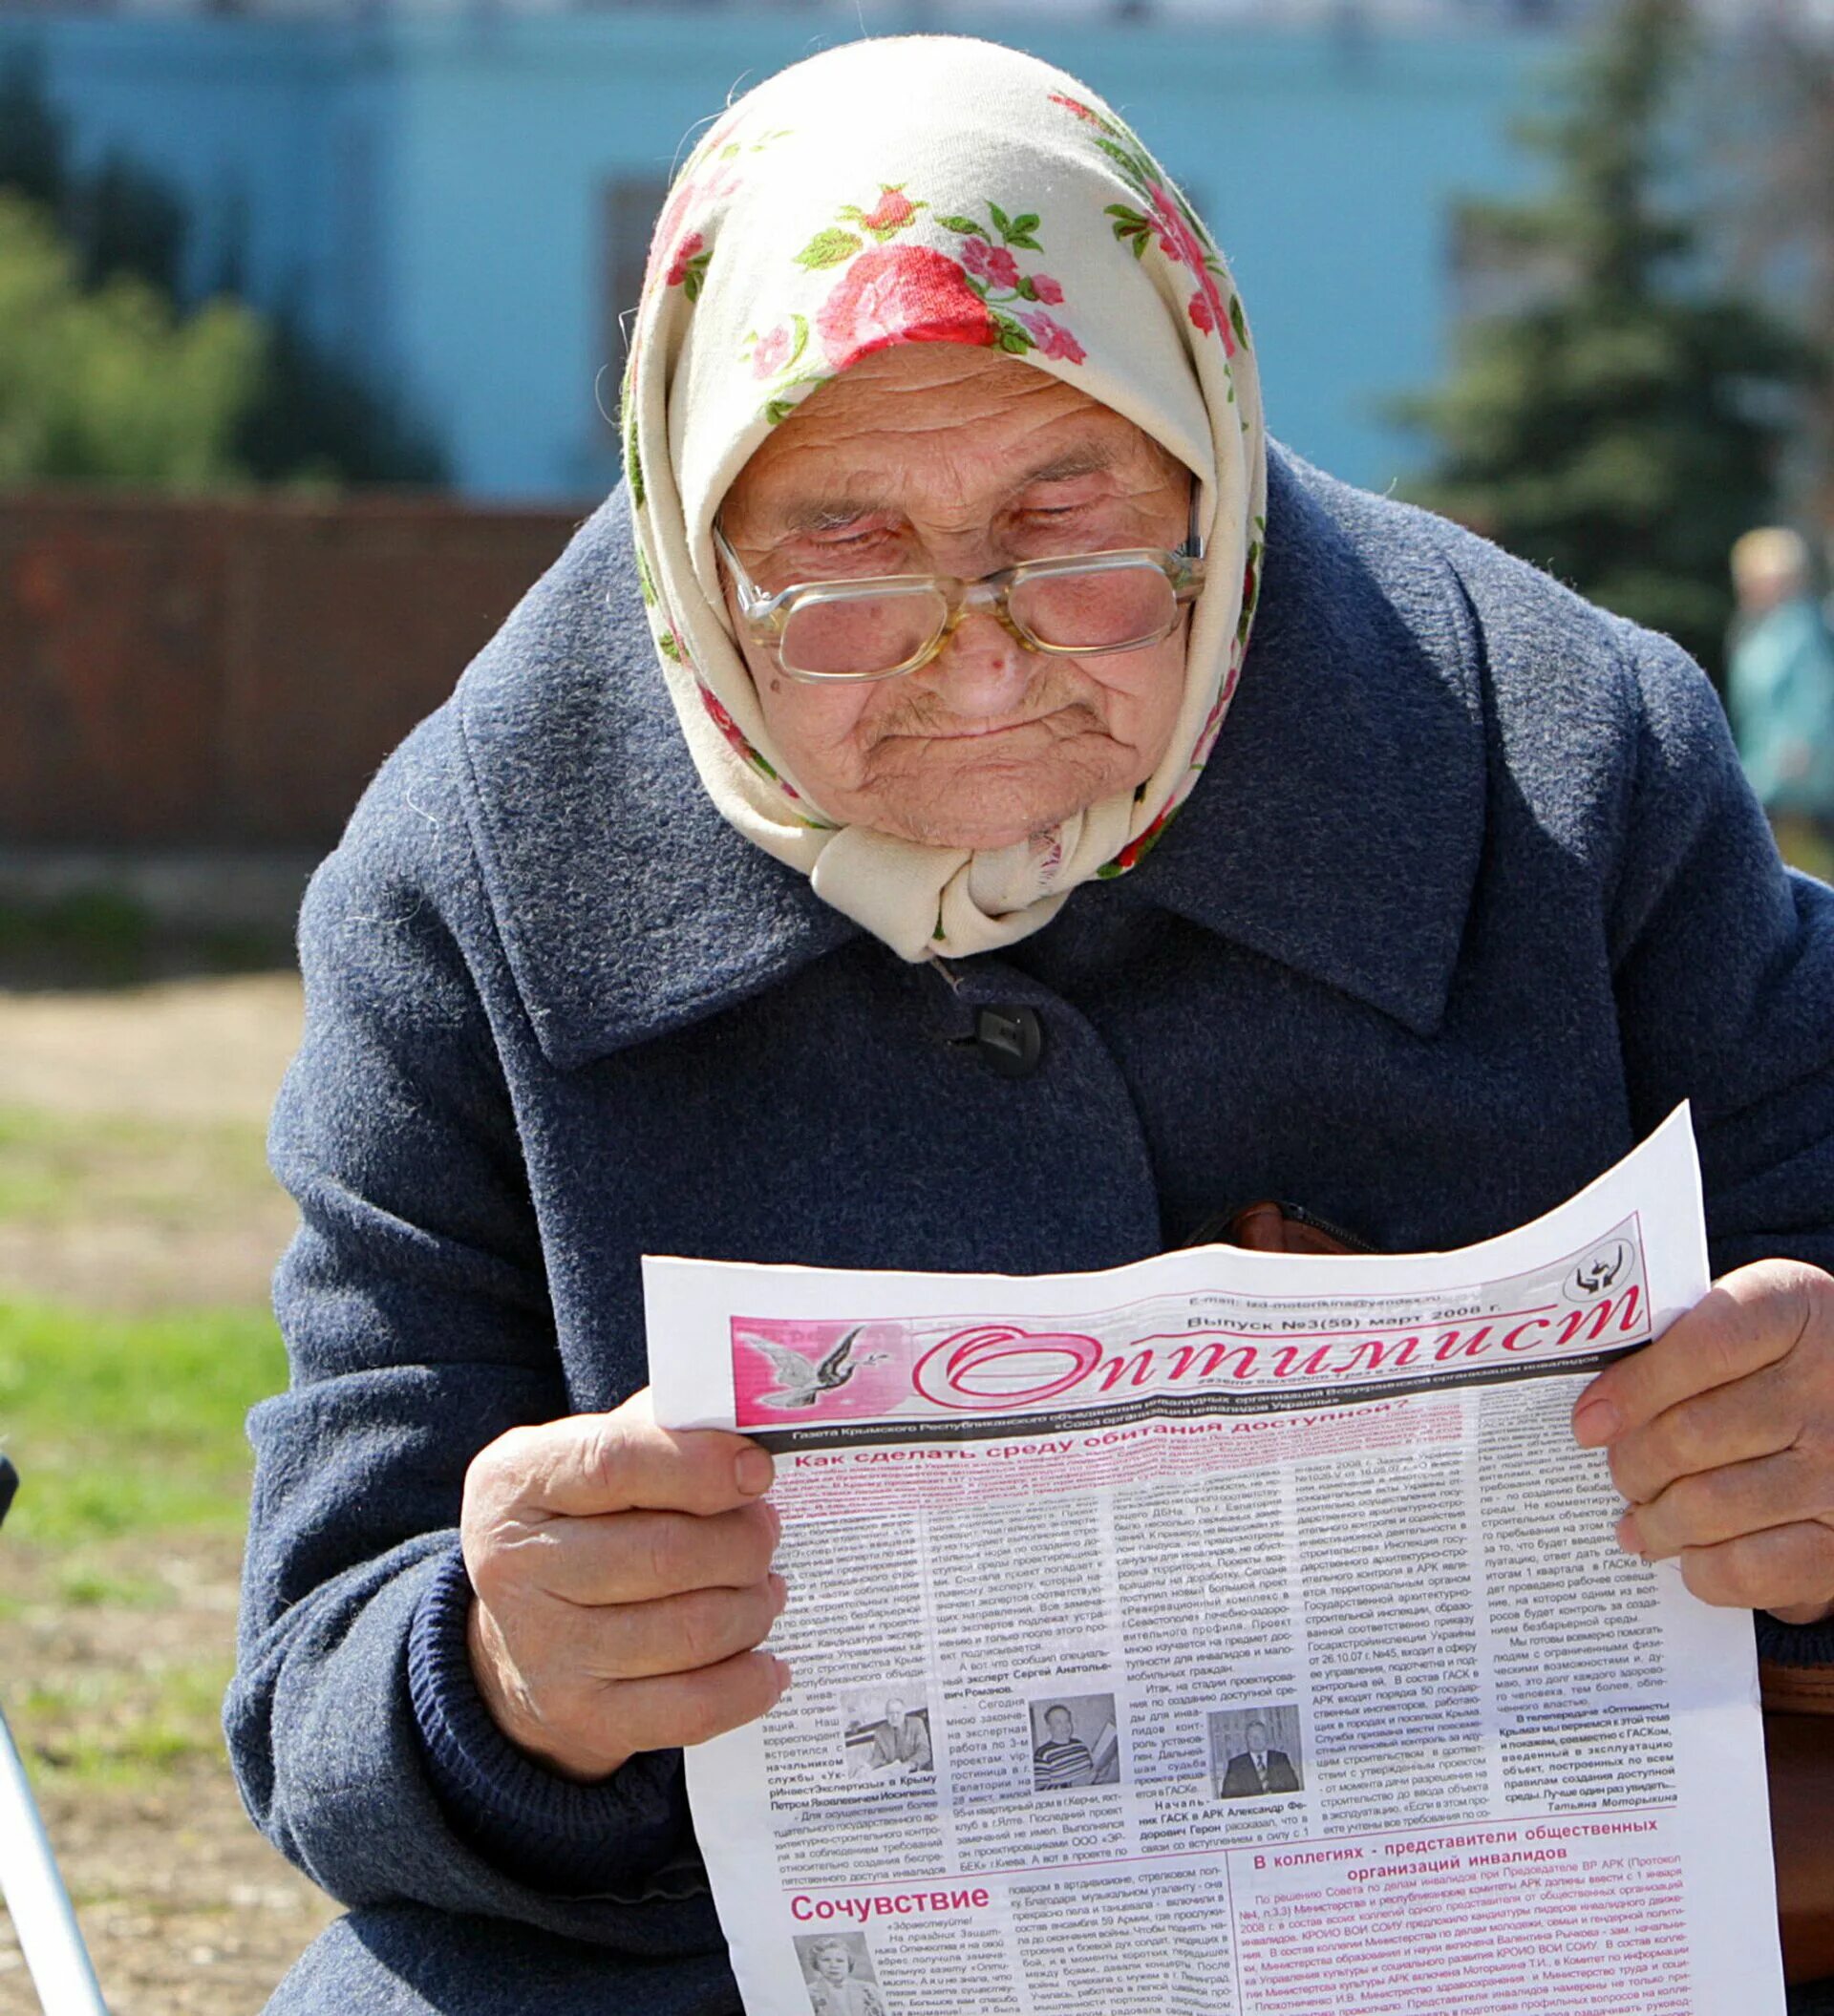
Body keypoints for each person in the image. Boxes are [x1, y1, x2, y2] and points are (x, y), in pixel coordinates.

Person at [226, 34, 1834, 2016]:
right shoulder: (474, 876)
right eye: (842, 553)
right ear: (690, 549)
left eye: (1073, 528)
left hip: (1470, 1913)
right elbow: (316, 1677)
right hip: (738, 1954)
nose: (974, 661)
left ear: (1213, 468)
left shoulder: (1573, 751)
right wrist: (497, 1669)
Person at [1727, 526, 1834, 875]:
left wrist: (1802, 746)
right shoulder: (1756, 627)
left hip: (1796, 766)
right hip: (1763, 760)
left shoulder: (1801, 626)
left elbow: (1816, 690)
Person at [802, 1936, 887, 2016]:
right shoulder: (809, 1992)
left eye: (840, 1961)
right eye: (826, 1960)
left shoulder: (868, 1990)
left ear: (848, 1963)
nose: (833, 1965)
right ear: (816, 1963)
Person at [1217, 1720, 1299, 1798]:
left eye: (1260, 1735)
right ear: (1247, 1739)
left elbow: (1293, 1787)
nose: (1256, 1739)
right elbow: (1228, 1795)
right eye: (1252, 1736)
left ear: (1266, 1737)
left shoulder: (1281, 1759)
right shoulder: (1236, 1765)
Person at [861, 1695, 931, 1776]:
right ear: (886, 1715)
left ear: (904, 1712)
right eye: (890, 1713)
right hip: (893, 1774)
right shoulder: (880, 1731)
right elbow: (878, 1758)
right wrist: (867, 1767)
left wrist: (908, 1765)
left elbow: (924, 1752)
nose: (894, 1717)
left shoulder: (916, 1723)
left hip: (915, 1772)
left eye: (898, 1713)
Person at [1032, 1705, 1096, 1792]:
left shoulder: (1080, 1745)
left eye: (1067, 1721)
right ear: (1048, 1727)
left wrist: (1098, 1776)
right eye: (1058, 1722)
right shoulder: (1042, 1754)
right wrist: (1072, 1785)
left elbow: (1090, 1774)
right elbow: (1040, 1790)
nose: (1065, 1726)